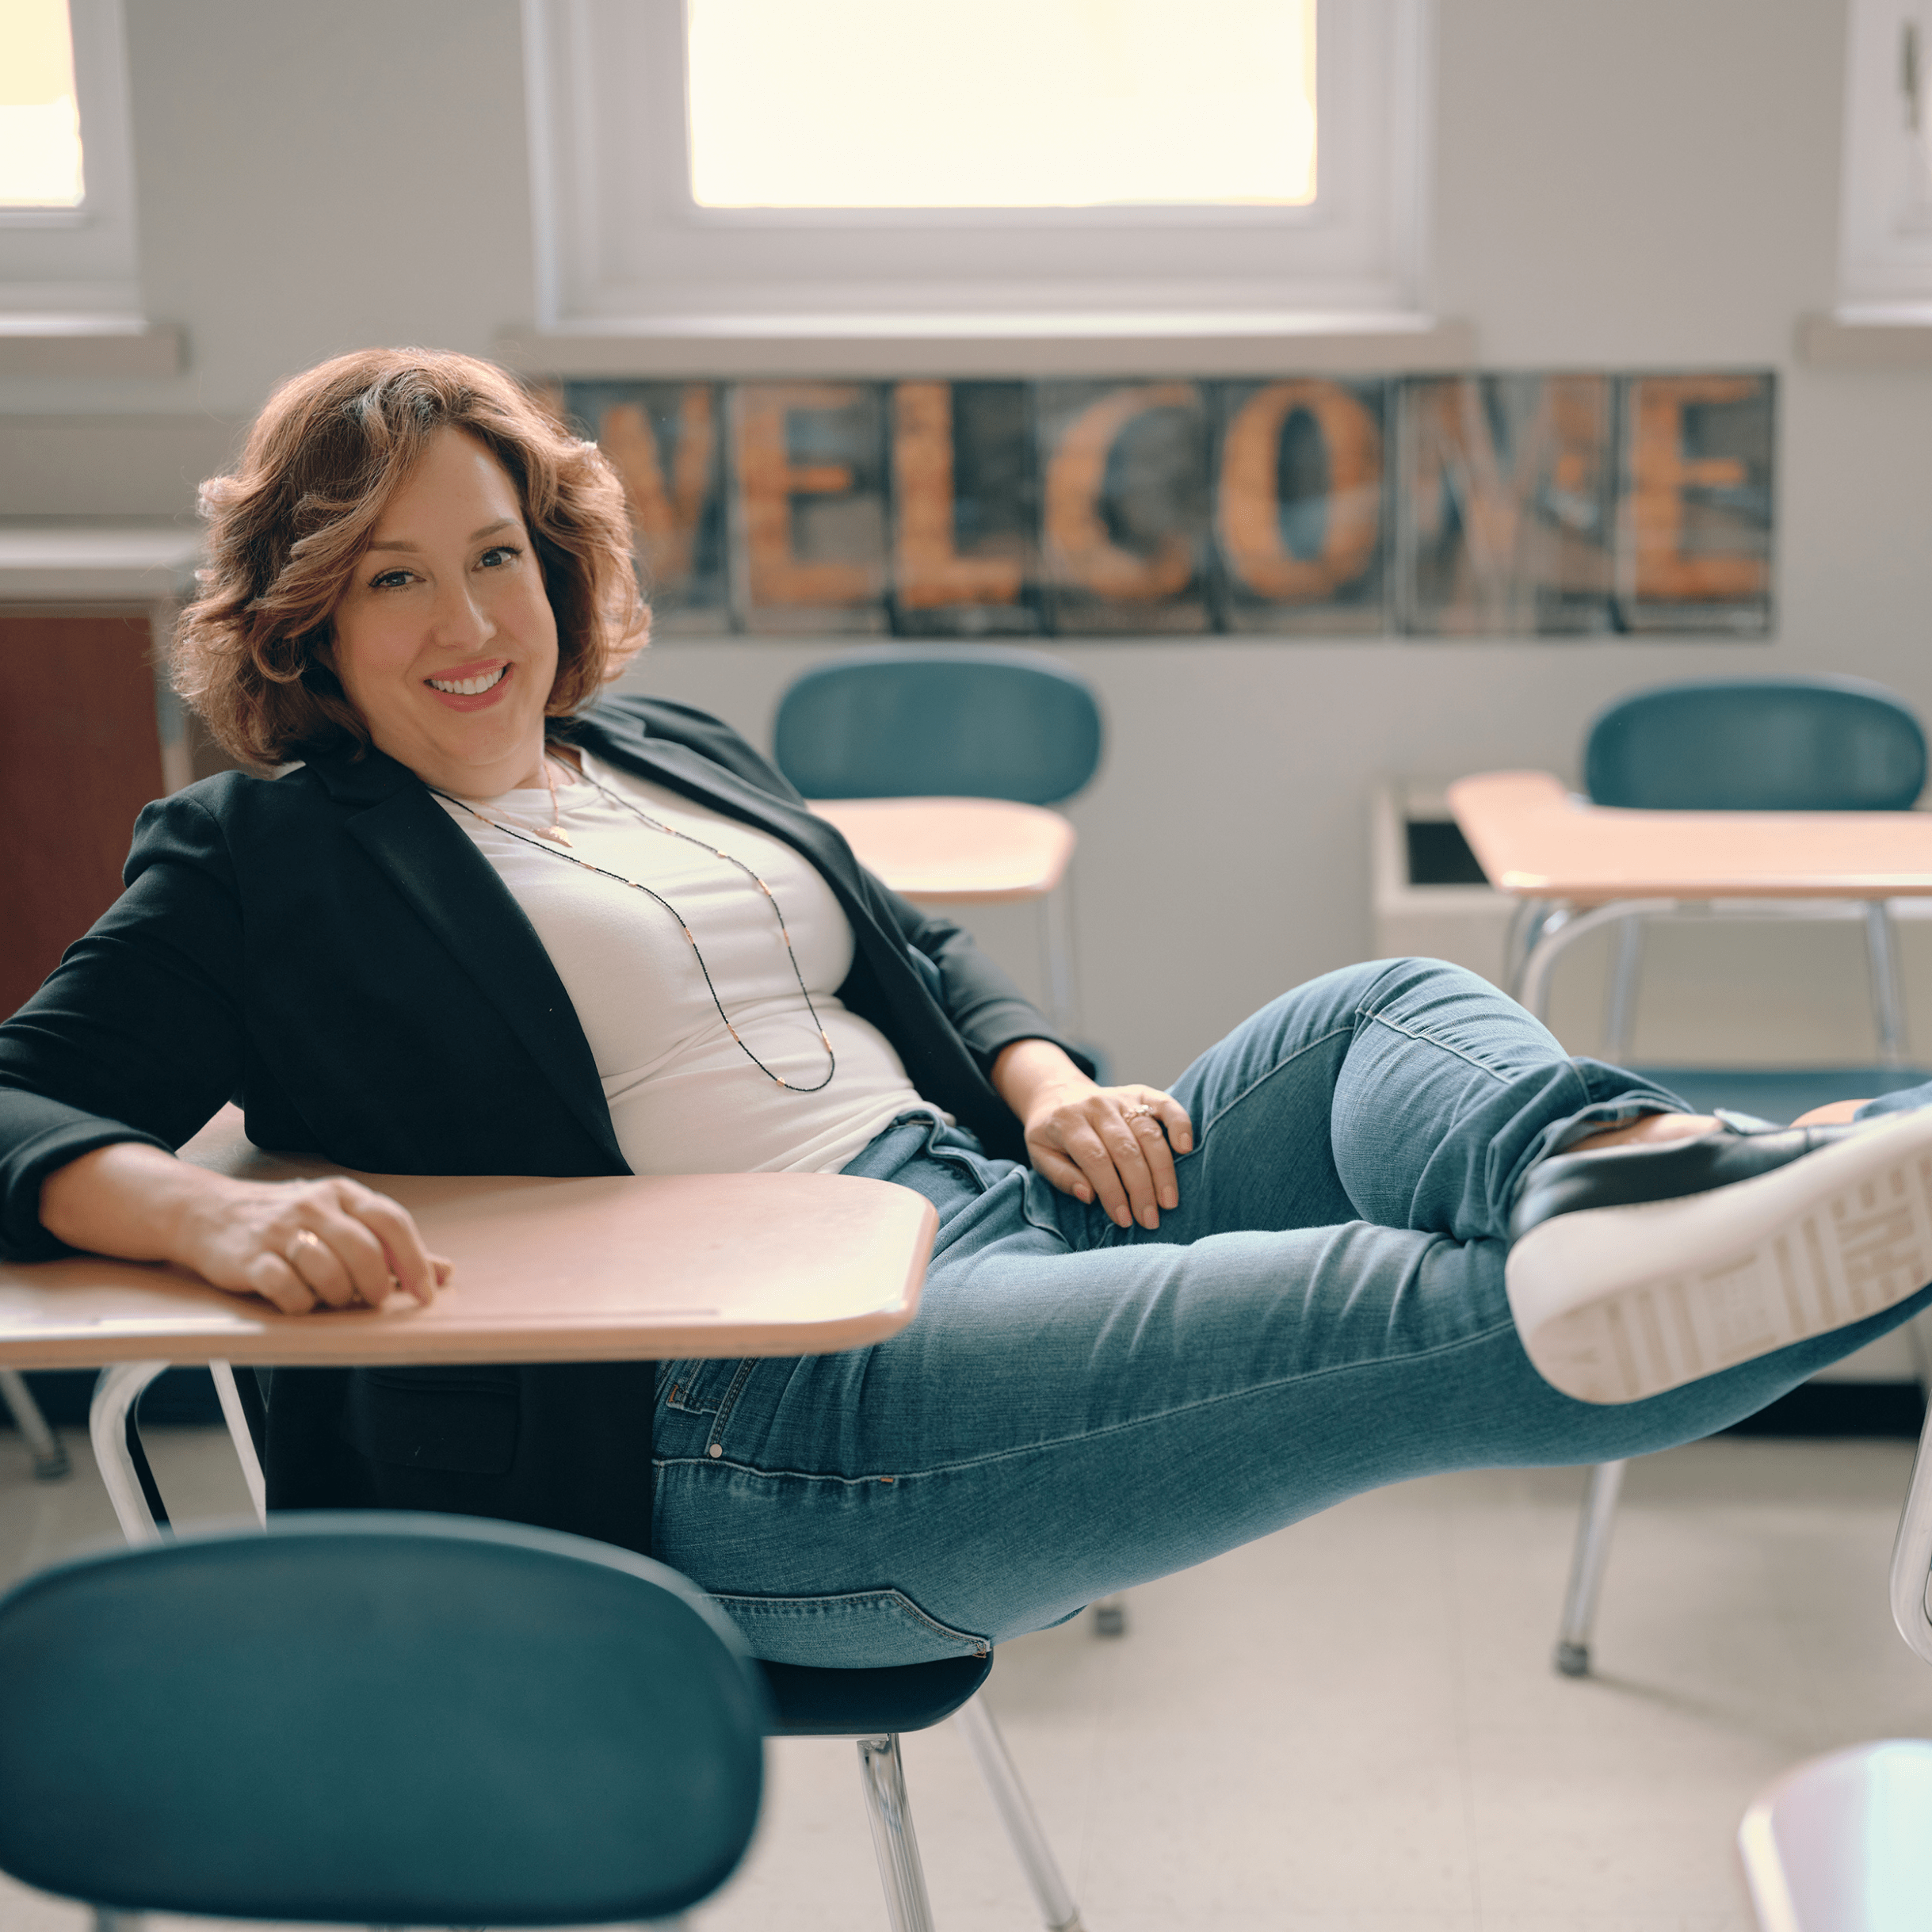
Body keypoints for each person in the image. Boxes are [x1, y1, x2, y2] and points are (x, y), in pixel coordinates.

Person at [3, 348, 1930, 1669]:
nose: (469, 623)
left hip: (987, 1192)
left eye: (494, 553)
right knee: (1411, 1311)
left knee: (1388, 1009)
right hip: (766, 1409)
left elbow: (907, 942)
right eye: (393, 578)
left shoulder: (653, 745)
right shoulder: (259, 855)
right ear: (304, 622)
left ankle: (1626, 1165)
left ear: (555, 555)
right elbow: (20, 1101)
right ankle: (1777, 1225)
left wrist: (1030, 1071)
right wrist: (205, 1207)